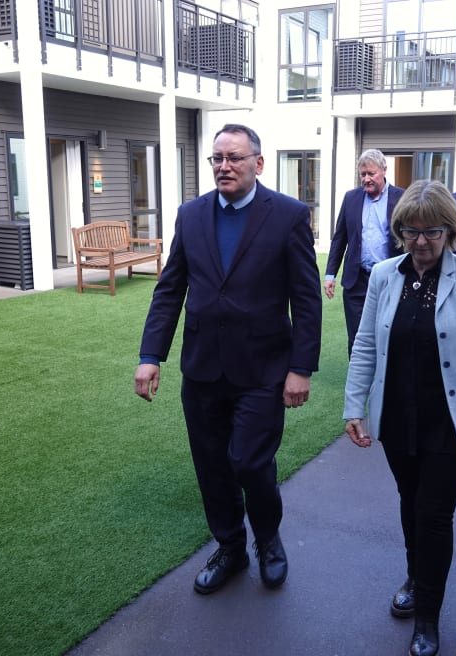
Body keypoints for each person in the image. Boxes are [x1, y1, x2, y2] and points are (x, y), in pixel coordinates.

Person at [134, 124, 322, 595]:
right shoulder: (191, 215)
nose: (224, 166)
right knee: (212, 464)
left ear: (258, 163)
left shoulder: (288, 216)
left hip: (262, 369)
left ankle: (268, 540)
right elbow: (170, 289)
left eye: (234, 158)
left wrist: (300, 368)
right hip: (202, 369)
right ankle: (231, 548)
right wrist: (151, 354)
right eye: (217, 158)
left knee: (249, 462)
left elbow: (306, 299)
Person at [342, 180, 456, 656]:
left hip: (451, 420)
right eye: (411, 232)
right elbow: (366, 345)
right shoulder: (384, 275)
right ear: (399, 231)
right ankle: (416, 578)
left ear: (450, 232)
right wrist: (354, 405)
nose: (420, 242)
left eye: (432, 232)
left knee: (434, 514)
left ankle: (427, 619)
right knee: (409, 501)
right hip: (398, 416)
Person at [325, 149, 405, 356]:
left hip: (390, 279)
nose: (366, 179)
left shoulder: (402, 198)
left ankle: (386, 373)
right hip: (357, 280)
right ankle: (357, 375)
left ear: (384, 170)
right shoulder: (351, 198)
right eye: (363, 174)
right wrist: (330, 274)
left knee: (390, 334)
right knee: (357, 337)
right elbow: (340, 237)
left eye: (371, 173)